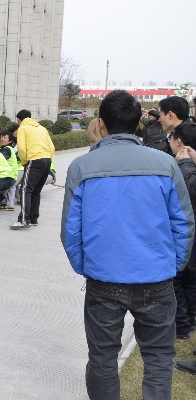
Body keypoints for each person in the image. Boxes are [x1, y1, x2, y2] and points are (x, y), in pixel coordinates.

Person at [61, 90, 194, 399]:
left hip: (104, 279)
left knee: (103, 358)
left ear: (102, 125)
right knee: (159, 359)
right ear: (138, 124)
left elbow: (71, 232)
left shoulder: (82, 167)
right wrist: (172, 266)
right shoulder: (165, 164)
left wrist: (88, 267)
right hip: (157, 278)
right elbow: (184, 224)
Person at [168, 122, 196, 341]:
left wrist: (185, 164)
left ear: (179, 142)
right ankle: (188, 323)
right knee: (189, 280)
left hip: (187, 233)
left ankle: (183, 326)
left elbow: (190, 191)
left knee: (179, 279)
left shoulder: (185, 164)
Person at [10, 109, 54, 230]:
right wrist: (48, 158)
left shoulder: (22, 129)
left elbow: (22, 148)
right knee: (35, 191)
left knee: (25, 190)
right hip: (46, 160)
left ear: (19, 120)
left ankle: (23, 220)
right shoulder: (42, 128)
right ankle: (33, 218)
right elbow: (52, 147)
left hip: (34, 160)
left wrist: (24, 161)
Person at [0, 131, 20, 211]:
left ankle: (9, 204)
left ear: (10, 141)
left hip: (10, 174)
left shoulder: (7, 149)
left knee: (0, 188)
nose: (2, 139)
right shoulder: (6, 148)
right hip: (10, 173)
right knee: (5, 188)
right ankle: (4, 203)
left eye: (5, 138)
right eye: (1, 137)